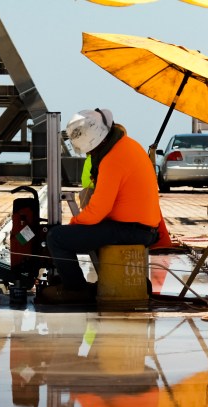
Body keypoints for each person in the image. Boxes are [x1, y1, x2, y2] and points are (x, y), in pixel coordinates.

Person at [43, 108, 163, 304]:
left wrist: (73, 224)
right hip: (142, 227)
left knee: (57, 238)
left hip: (132, 230)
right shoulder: (128, 145)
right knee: (80, 234)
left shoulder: (112, 159)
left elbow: (97, 211)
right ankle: (102, 283)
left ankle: (75, 290)